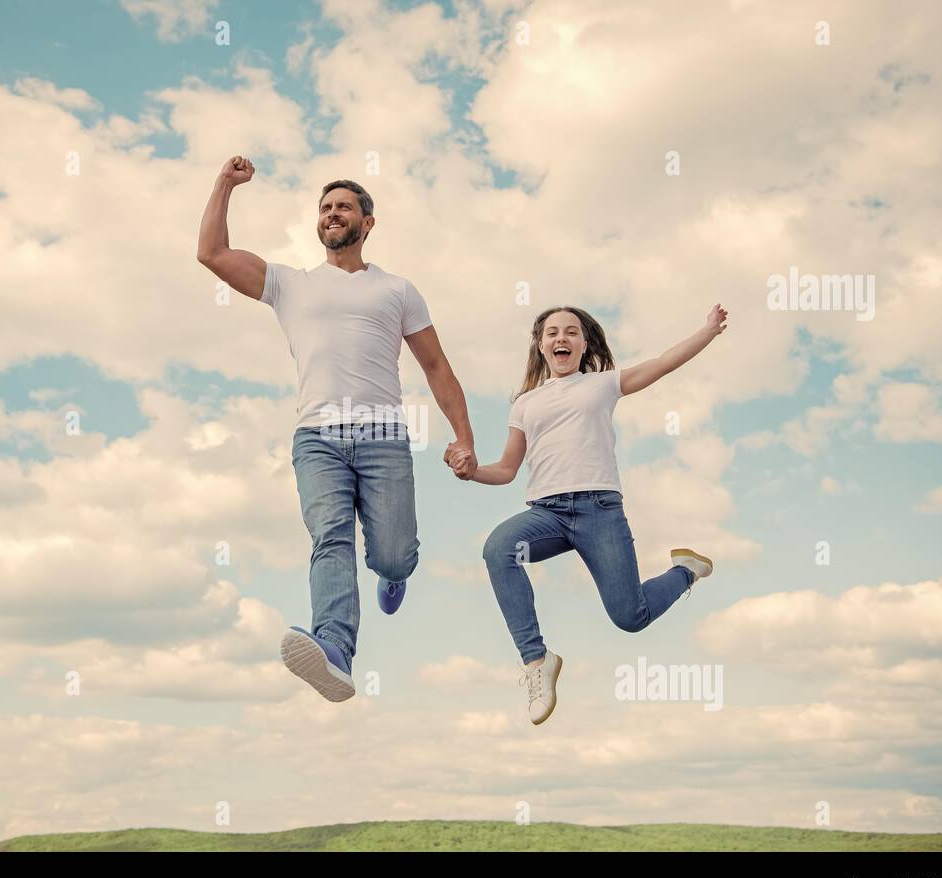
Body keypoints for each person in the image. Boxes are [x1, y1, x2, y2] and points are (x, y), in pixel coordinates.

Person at [197, 155, 477, 702]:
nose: (332, 214)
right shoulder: (289, 283)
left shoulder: (397, 290)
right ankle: (335, 649)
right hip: (317, 437)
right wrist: (224, 184)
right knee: (331, 539)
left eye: (343, 206)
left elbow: (437, 367)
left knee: (392, 553)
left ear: (366, 223)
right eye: (325, 208)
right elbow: (212, 253)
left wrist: (463, 437)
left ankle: (393, 573)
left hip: (382, 437)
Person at [449, 303, 728, 724]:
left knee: (630, 618)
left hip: (599, 512)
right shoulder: (525, 403)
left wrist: (707, 332)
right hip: (548, 515)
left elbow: (663, 364)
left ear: (584, 343)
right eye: (552, 333)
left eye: (572, 332)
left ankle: (686, 571)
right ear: (541, 345)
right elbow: (506, 469)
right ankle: (536, 660)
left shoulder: (602, 385)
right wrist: (471, 472)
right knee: (499, 548)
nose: (562, 338)